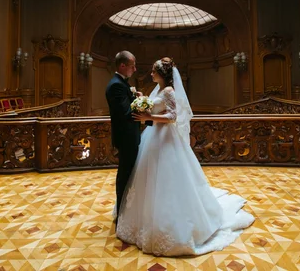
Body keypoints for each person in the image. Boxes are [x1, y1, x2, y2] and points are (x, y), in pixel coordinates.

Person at [116, 57, 254, 256]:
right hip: (154, 137)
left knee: (169, 179)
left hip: (165, 137)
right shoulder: (158, 91)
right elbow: (156, 106)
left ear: (162, 74)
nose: (151, 73)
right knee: (150, 179)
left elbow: (173, 116)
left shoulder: (169, 91)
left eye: (154, 71)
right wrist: (141, 100)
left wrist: (149, 118)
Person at [105, 51, 142, 224]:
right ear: (122, 66)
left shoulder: (121, 83)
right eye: (132, 65)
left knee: (128, 174)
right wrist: (145, 109)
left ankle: (126, 210)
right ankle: (121, 213)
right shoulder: (116, 86)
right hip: (126, 138)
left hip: (130, 137)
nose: (135, 69)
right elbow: (126, 113)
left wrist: (136, 98)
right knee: (124, 175)